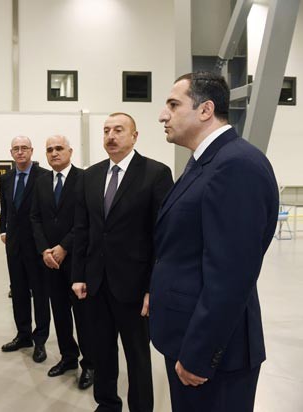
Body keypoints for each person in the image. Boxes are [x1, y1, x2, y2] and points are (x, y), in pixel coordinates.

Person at [150, 71, 279, 412]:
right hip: (187, 337)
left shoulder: (236, 166)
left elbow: (231, 276)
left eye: (173, 105)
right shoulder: (205, 162)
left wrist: (199, 354)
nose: (163, 115)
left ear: (205, 110)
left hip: (213, 357)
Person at [72, 113, 173, 412]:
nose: (111, 136)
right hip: (97, 283)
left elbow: (162, 235)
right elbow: (83, 229)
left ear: (134, 136)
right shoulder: (90, 176)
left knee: (137, 356)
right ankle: (107, 404)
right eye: (106, 131)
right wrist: (78, 275)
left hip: (135, 286)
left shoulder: (155, 173)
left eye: (118, 130)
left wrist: (153, 287)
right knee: (102, 352)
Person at [30, 135, 94, 389]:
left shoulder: (85, 179)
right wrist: (45, 250)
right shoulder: (41, 182)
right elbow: (35, 218)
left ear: (70, 151)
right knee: (59, 313)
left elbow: (87, 219)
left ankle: (89, 364)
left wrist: (64, 247)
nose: (54, 153)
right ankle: (68, 357)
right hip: (51, 263)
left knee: (84, 316)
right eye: (49, 150)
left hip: (77, 261)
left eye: (59, 148)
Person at [0, 136, 50, 362]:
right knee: (18, 292)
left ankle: (40, 341)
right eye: (16, 149)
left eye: (24, 148)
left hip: (37, 246)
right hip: (14, 245)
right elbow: (4, 208)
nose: (20, 152)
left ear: (31, 151)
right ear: (11, 153)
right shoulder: (6, 178)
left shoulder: (44, 177)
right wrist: (3, 230)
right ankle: (23, 335)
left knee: (40, 294)